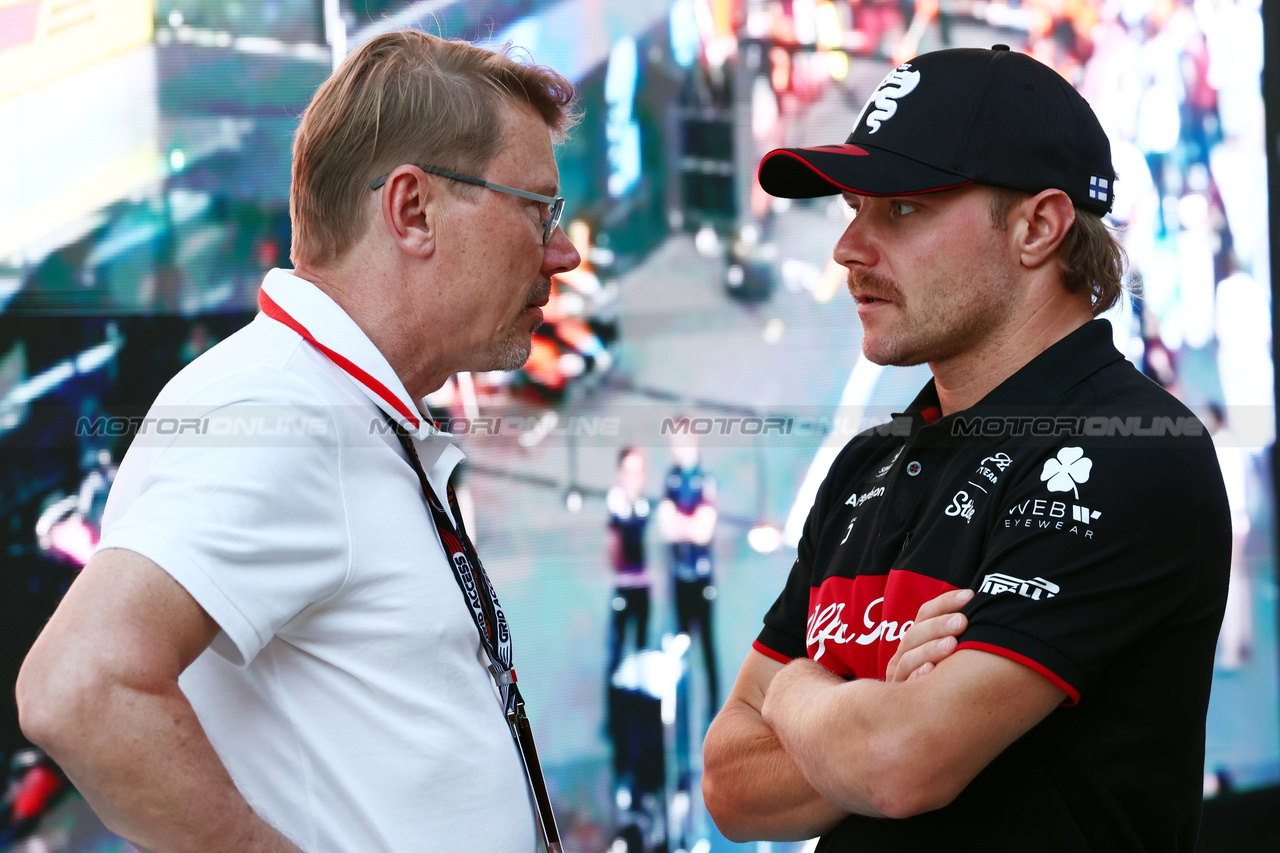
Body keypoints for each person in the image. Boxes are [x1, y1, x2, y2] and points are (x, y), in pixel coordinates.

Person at [16, 31, 579, 853]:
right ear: (413, 210)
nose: (562, 252)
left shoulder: (326, 401)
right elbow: (78, 687)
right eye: (539, 210)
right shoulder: (279, 405)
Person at [702, 45, 1230, 852]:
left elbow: (899, 764)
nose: (849, 249)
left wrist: (805, 690)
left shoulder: (1132, 452)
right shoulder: (867, 464)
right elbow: (730, 786)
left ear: (1038, 227)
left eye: (901, 208)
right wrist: (877, 705)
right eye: (852, 206)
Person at [606, 446, 653, 676]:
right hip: (622, 588)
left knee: (643, 655)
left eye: (637, 471)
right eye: (627, 471)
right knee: (617, 653)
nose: (632, 478)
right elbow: (612, 554)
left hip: (644, 590)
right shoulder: (616, 508)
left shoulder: (649, 506)